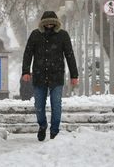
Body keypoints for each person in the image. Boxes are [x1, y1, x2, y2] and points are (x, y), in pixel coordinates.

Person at [22, 11, 78, 141]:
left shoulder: (62, 36)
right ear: (43, 24)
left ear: (55, 24)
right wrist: (26, 71)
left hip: (56, 76)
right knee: (39, 105)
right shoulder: (35, 35)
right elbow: (28, 54)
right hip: (39, 75)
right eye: (46, 24)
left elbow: (69, 55)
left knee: (56, 104)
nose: (49, 26)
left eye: (51, 24)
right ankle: (42, 126)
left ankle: (54, 131)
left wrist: (74, 74)